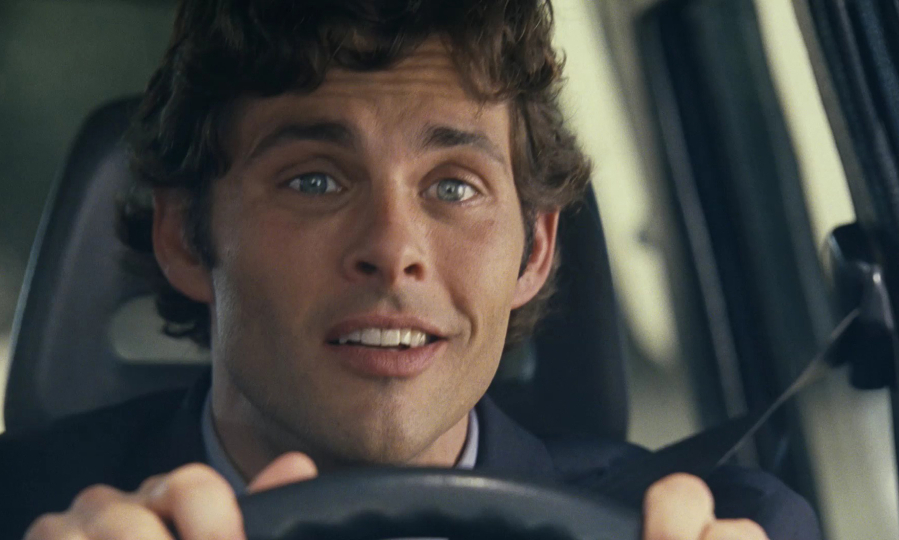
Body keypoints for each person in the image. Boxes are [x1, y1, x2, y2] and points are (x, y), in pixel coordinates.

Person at [0, 0, 819, 538]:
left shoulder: (717, 525)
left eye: (454, 187)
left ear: (534, 250)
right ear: (185, 236)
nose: (394, 250)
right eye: (314, 181)